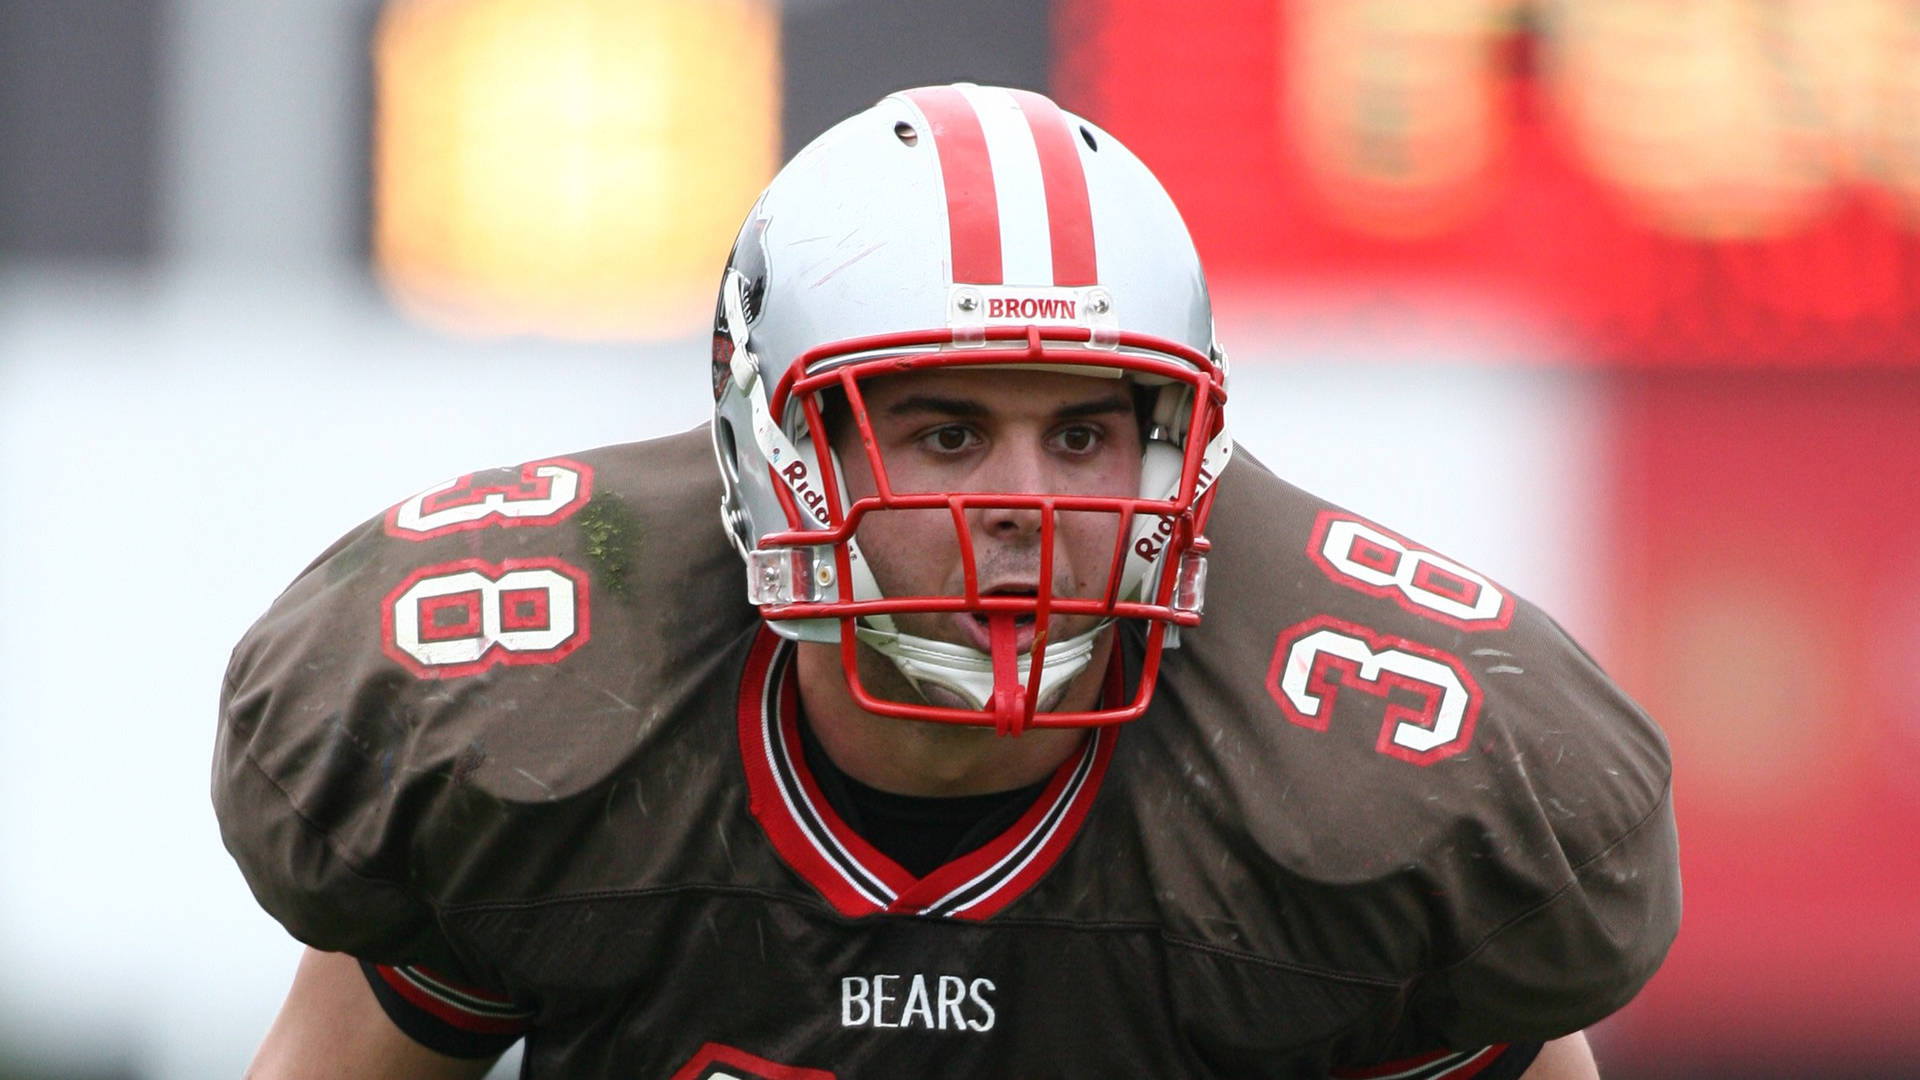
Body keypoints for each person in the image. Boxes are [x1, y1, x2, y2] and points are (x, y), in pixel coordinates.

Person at [216, 84, 1679, 1079]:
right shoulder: (532, 723)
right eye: (945, 431)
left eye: (1090, 432)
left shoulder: (1373, 782)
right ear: (774, 444)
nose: (1025, 507)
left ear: (1185, 451)